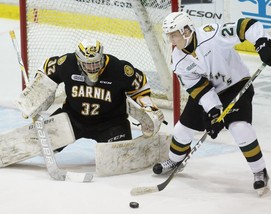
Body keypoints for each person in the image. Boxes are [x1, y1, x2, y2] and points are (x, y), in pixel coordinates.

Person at [152, 12, 271, 193]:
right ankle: (175, 160)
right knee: (182, 129)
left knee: (239, 128)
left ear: (186, 30)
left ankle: (259, 171)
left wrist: (263, 43)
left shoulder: (211, 34)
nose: (172, 39)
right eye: (169, 35)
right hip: (210, 92)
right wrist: (213, 112)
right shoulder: (178, 60)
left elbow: (246, 25)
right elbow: (200, 89)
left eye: (174, 34)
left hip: (236, 85)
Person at [18, 39, 164, 151]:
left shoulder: (118, 69)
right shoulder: (67, 63)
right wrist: (35, 96)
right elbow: (46, 70)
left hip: (111, 123)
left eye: (96, 63)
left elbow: (140, 87)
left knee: (118, 159)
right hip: (72, 118)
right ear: (79, 59)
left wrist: (149, 107)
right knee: (39, 146)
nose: (93, 67)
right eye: (88, 64)